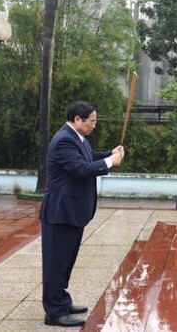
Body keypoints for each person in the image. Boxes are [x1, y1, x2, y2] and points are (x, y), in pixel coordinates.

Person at [40, 101, 124, 327]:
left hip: (73, 212)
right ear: (78, 119)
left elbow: (90, 158)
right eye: (92, 121)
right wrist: (110, 163)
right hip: (60, 212)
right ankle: (54, 312)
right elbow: (80, 169)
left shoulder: (78, 138)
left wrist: (110, 154)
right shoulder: (64, 140)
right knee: (56, 263)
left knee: (66, 261)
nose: (94, 126)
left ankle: (61, 300)